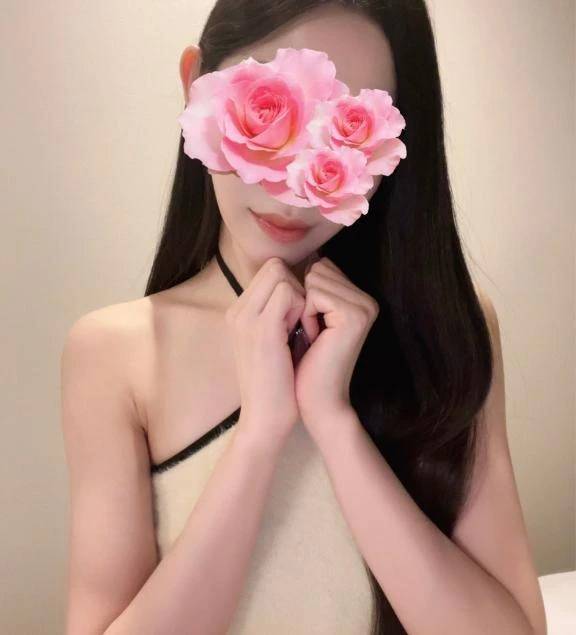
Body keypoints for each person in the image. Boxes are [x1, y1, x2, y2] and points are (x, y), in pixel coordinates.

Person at [60, 1, 547, 634]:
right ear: (195, 84)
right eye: (269, 113)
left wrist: (336, 426)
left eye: (348, 130)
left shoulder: (449, 326)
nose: (295, 191)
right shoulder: (116, 353)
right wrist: (259, 436)